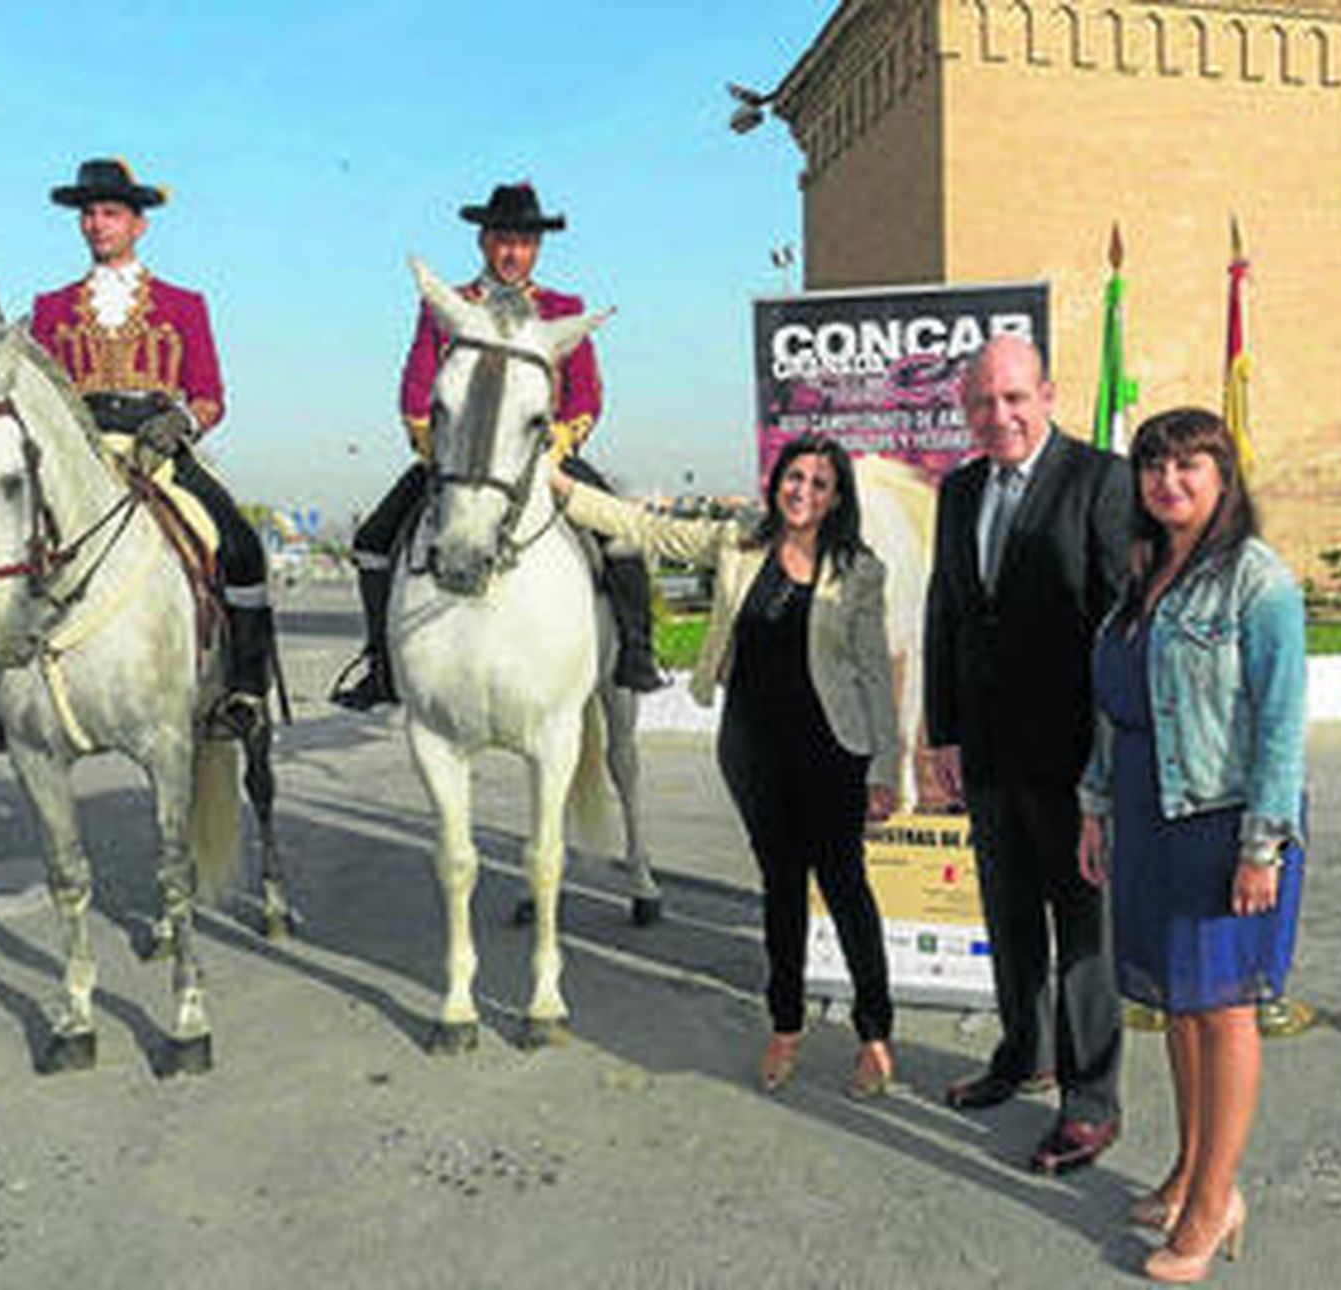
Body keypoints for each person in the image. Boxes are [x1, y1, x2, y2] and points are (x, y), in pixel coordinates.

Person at [551, 434, 902, 1098]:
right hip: (752, 747)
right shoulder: (739, 538)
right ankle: (786, 1024)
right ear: (777, 483)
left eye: (819, 483)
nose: (802, 491)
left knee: (846, 887)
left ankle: (874, 1035)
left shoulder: (859, 570)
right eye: (794, 477)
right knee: (780, 886)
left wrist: (886, 768)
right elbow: (646, 528)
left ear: (837, 498)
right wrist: (565, 489)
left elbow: (874, 679)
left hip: (833, 750)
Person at [1077, 408, 1305, 1283]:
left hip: (1222, 818)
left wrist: (1263, 847)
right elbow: (1114, 711)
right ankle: (1187, 1169)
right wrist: (1096, 807)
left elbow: (1282, 725)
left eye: (1188, 467)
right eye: (1153, 467)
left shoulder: (1258, 581)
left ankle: (1217, 1201)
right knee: (1178, 1003)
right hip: (1144, 811)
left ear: (1222, 478)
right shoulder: (1142, 577)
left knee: (1223, 1008)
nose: (1167, 482)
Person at [923, 334, 1132, 1173]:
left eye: (1013, 398)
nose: (998, 416)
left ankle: (1091, 1099)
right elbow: (947, 613)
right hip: (987, 752)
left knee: (1084, 932)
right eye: (981, 403)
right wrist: (941, 730)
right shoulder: (960, 488)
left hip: (1074, 760)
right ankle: (1026, 1053)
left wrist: (1106, 772)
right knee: (1007, 916)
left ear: (1048, 392)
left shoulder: (1101, 482)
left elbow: (1119, 630)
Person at [331, 181, 662, 709]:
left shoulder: (563, 307)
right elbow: (418, 380)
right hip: (458, 457)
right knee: (373, 541)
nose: (514, 253)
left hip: (543, 455)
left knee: (619, 535)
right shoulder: (449, 304)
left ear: (537, 249)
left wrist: (564, 437)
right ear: (484, 242)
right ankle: (382, 662)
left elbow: (586, 392)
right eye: (505, 240)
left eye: (526, 243)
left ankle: (636, 654)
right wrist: (427, 438)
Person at [30, 157, 273, 732]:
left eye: (110, 213)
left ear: (139, 224)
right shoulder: (50, 307)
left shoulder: (184, 303)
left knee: (241, 547)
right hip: (80, 449)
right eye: (88, 214)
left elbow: (210, 394)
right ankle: (6, 692)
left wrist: (178, 425)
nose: (96, 224)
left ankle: (243, 688)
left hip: (159, 445)